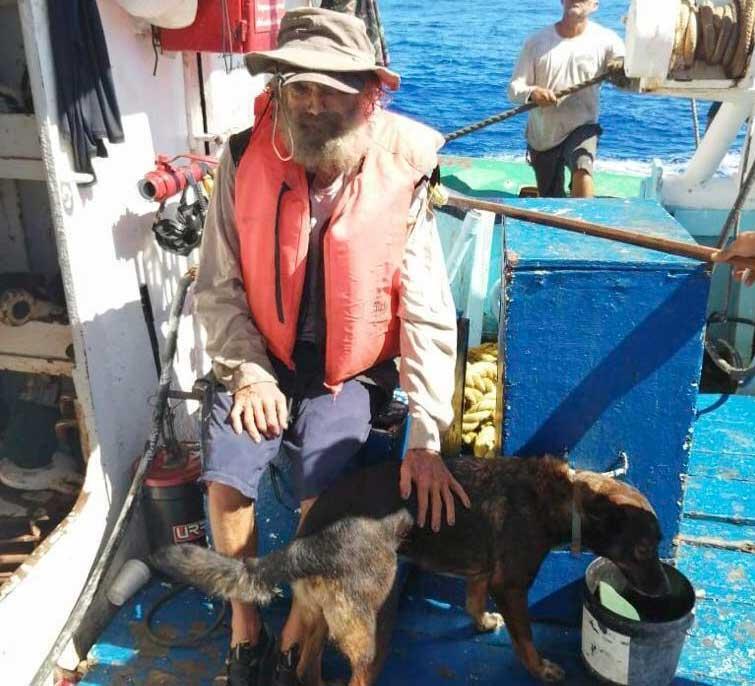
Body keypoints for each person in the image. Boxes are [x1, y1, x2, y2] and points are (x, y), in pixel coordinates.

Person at [193, 8, 470, 686]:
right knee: (228, 473)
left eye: (334, 90)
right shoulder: (240, 157)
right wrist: (249, 372)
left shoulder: (402, 173)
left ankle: (295, 637)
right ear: (279, 90)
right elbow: (217, 287)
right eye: (300, 88)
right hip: (264, 358)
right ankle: (246, 629)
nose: (315, 104)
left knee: (328, 486)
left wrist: (429, 437)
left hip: (353, 372)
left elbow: (429, 313)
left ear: (368, 95)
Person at [508, 0, 624, 198]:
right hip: (544, 135)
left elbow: (626, 67)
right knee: (551, 197)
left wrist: (621, 68)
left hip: (582, 126)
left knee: (582, 167)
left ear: (595, 5)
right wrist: (533, 93)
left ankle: (583, 225)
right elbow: (514, 89)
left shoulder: (607, 40)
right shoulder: (536, 42)